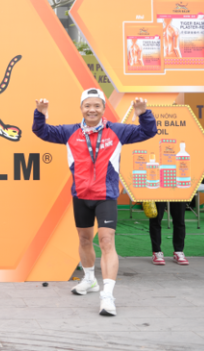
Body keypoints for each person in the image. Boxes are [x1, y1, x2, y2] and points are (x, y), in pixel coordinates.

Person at [33, 89, 156, 317]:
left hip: (106, 195)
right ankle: (89, 279)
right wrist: (40, 113)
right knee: (84, 239)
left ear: (103, 109)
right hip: (81, 195)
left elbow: (148, 131)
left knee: (106, 240)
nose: (92, 110)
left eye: (97, 105)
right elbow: (41, 131)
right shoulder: (70, 131)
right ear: (81, 108)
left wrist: (143, 113)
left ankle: (107, 295)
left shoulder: (117, 130)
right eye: (87, 105)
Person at [149, 201, 188, 266]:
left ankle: (178, 251)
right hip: (159, 194)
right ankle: (156, 252)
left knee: (180, 220)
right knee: (156, 219)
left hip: (177, 194)